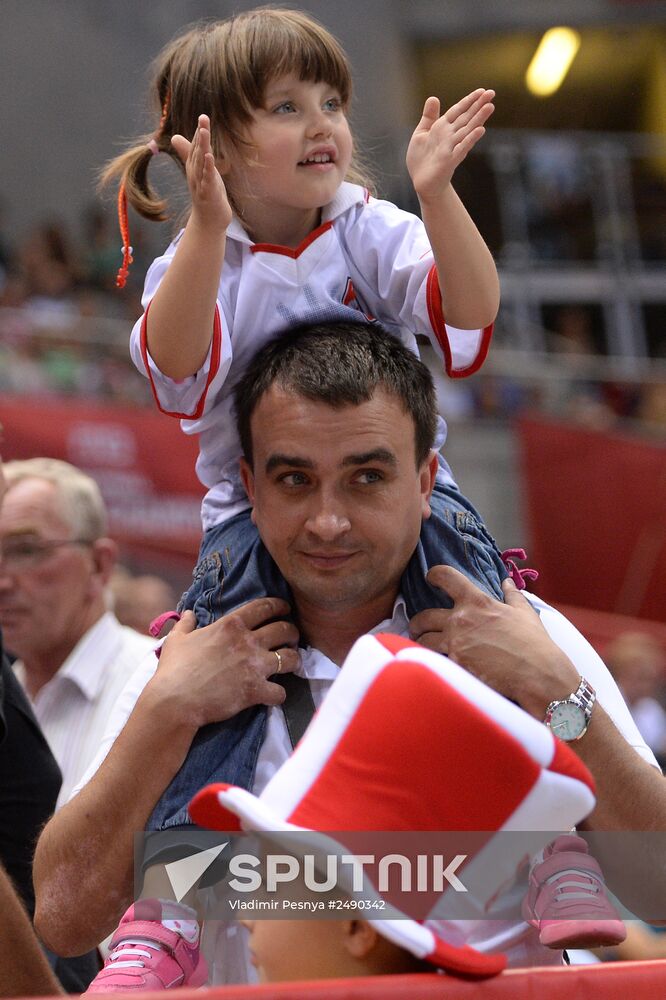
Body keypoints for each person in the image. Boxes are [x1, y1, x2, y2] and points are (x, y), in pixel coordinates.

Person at [33, 322, 664, 988]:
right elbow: (66, 919)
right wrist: (166, 713)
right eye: (295, 479)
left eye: (366, 477)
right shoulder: (186, 663)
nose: (328, 521)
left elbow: (657, 891)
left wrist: (562, 698)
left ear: (426, 480)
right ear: (250, 487)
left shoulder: (526, 633)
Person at [101, 6, 511, 642]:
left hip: (403, 499)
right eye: (287, 107)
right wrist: (208, 229)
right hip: (251, 515)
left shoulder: (367, 225)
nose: (322, 125)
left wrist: (437, 195)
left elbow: (473, 309)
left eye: (332, 104)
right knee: (224, 664)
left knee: (487, 629)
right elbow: (175, 369)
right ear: (218, 148)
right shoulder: (197, 259)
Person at [0, 458, 154, 806]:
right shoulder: (9, 694)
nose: (2, 582)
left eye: (25, 550)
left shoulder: (161, 683)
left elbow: (205, 845)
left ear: (99, 564)